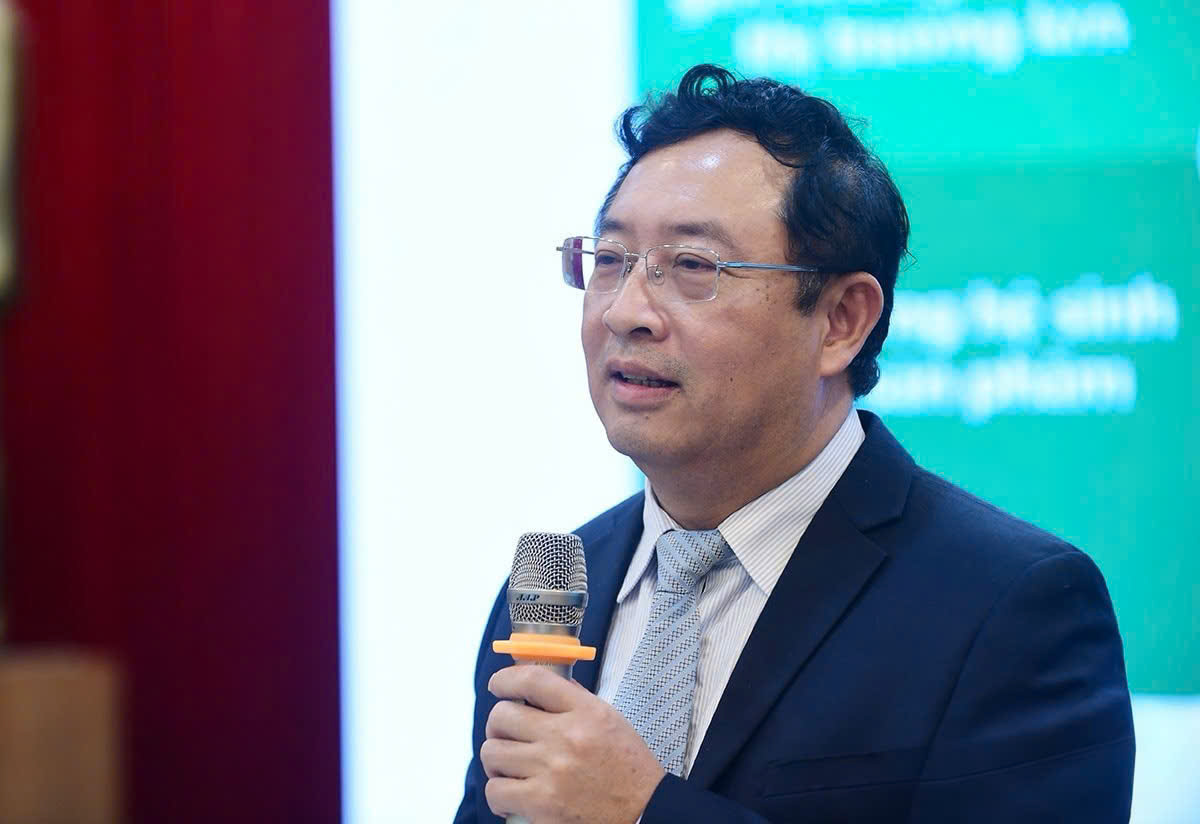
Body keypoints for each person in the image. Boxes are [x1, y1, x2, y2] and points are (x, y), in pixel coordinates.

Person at [454, 64, 1134, 823]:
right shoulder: (551, 598)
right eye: (610, 260)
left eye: (692, 266)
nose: (625, 312)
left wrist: (646, 811)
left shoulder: (1009, 606)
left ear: (841, 321)